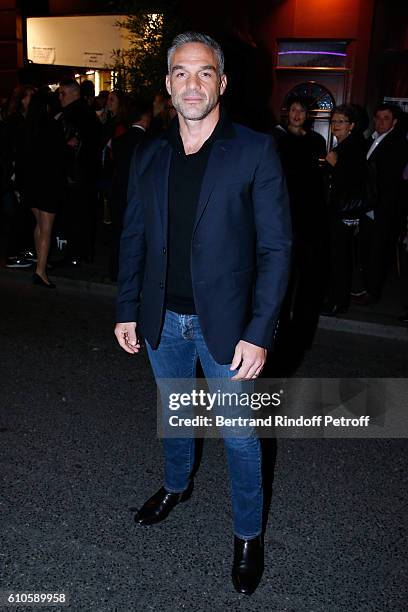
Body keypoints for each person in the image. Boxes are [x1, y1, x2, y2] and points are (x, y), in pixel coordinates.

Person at [114, 32, 291, 595]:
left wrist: (260, 332)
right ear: (168, 84)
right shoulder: (150, 153)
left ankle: (247, 536)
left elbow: (276, 249)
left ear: (222, 82)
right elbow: (135, 238)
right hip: (160, 319)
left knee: (239, 436)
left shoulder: (255, 150)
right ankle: (176, 485)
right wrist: (126, 309)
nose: (193, 83)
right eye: (182, 73)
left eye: (205, 72)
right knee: (176, 413)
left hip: (231, 327)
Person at [273, 96, 326, 357]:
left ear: (307, 115)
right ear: (287, 113)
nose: (296, 114)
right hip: (283, 213)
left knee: (304, 271)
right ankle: (277, 321)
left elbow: (318, 177)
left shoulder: (316, 141)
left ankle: (298, 326)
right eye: (293, 110)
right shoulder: (276, 139)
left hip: (308, 215)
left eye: (301, 111)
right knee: (282, 270)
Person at [356, 103, 408, 304]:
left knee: (378, 251)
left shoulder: (397, 144)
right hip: (370, 206)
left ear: (394, 121)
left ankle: (373, 292)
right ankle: (367, 288)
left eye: (385, 118)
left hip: (384, 208)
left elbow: (390, 180)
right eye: (377, 118)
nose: (380, 122)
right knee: (368, 249)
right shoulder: (373, 139)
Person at [321, 105, 369, 316]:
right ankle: (335, 299)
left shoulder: (353, 147)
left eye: (341, 121)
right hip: (337, 211)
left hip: (344, 212)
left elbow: (353, 182)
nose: (335, 125)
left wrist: (334, 165)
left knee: (339, 258)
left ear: (352, 126)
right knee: (335, 257)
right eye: (333, 121)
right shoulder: (343, 145)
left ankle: (337, 302)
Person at [16, 89, 66, 288]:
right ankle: (41, 271)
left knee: (39, 224)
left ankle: (40, 264)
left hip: (30, 182)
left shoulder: (25, 127)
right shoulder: (52, 126)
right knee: (46, 227)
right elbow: (58, 156)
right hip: (47, 182)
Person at [57, 78, 101, 264]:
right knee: (84, 214)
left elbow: (70, 145)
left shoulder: (72, 114)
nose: (60, 97)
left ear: (74, 93)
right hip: (85, 173)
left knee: (75, 215)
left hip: (75, 174)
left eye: (63, 93)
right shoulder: (86, 113)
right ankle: (82, 253)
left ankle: (74, 254)